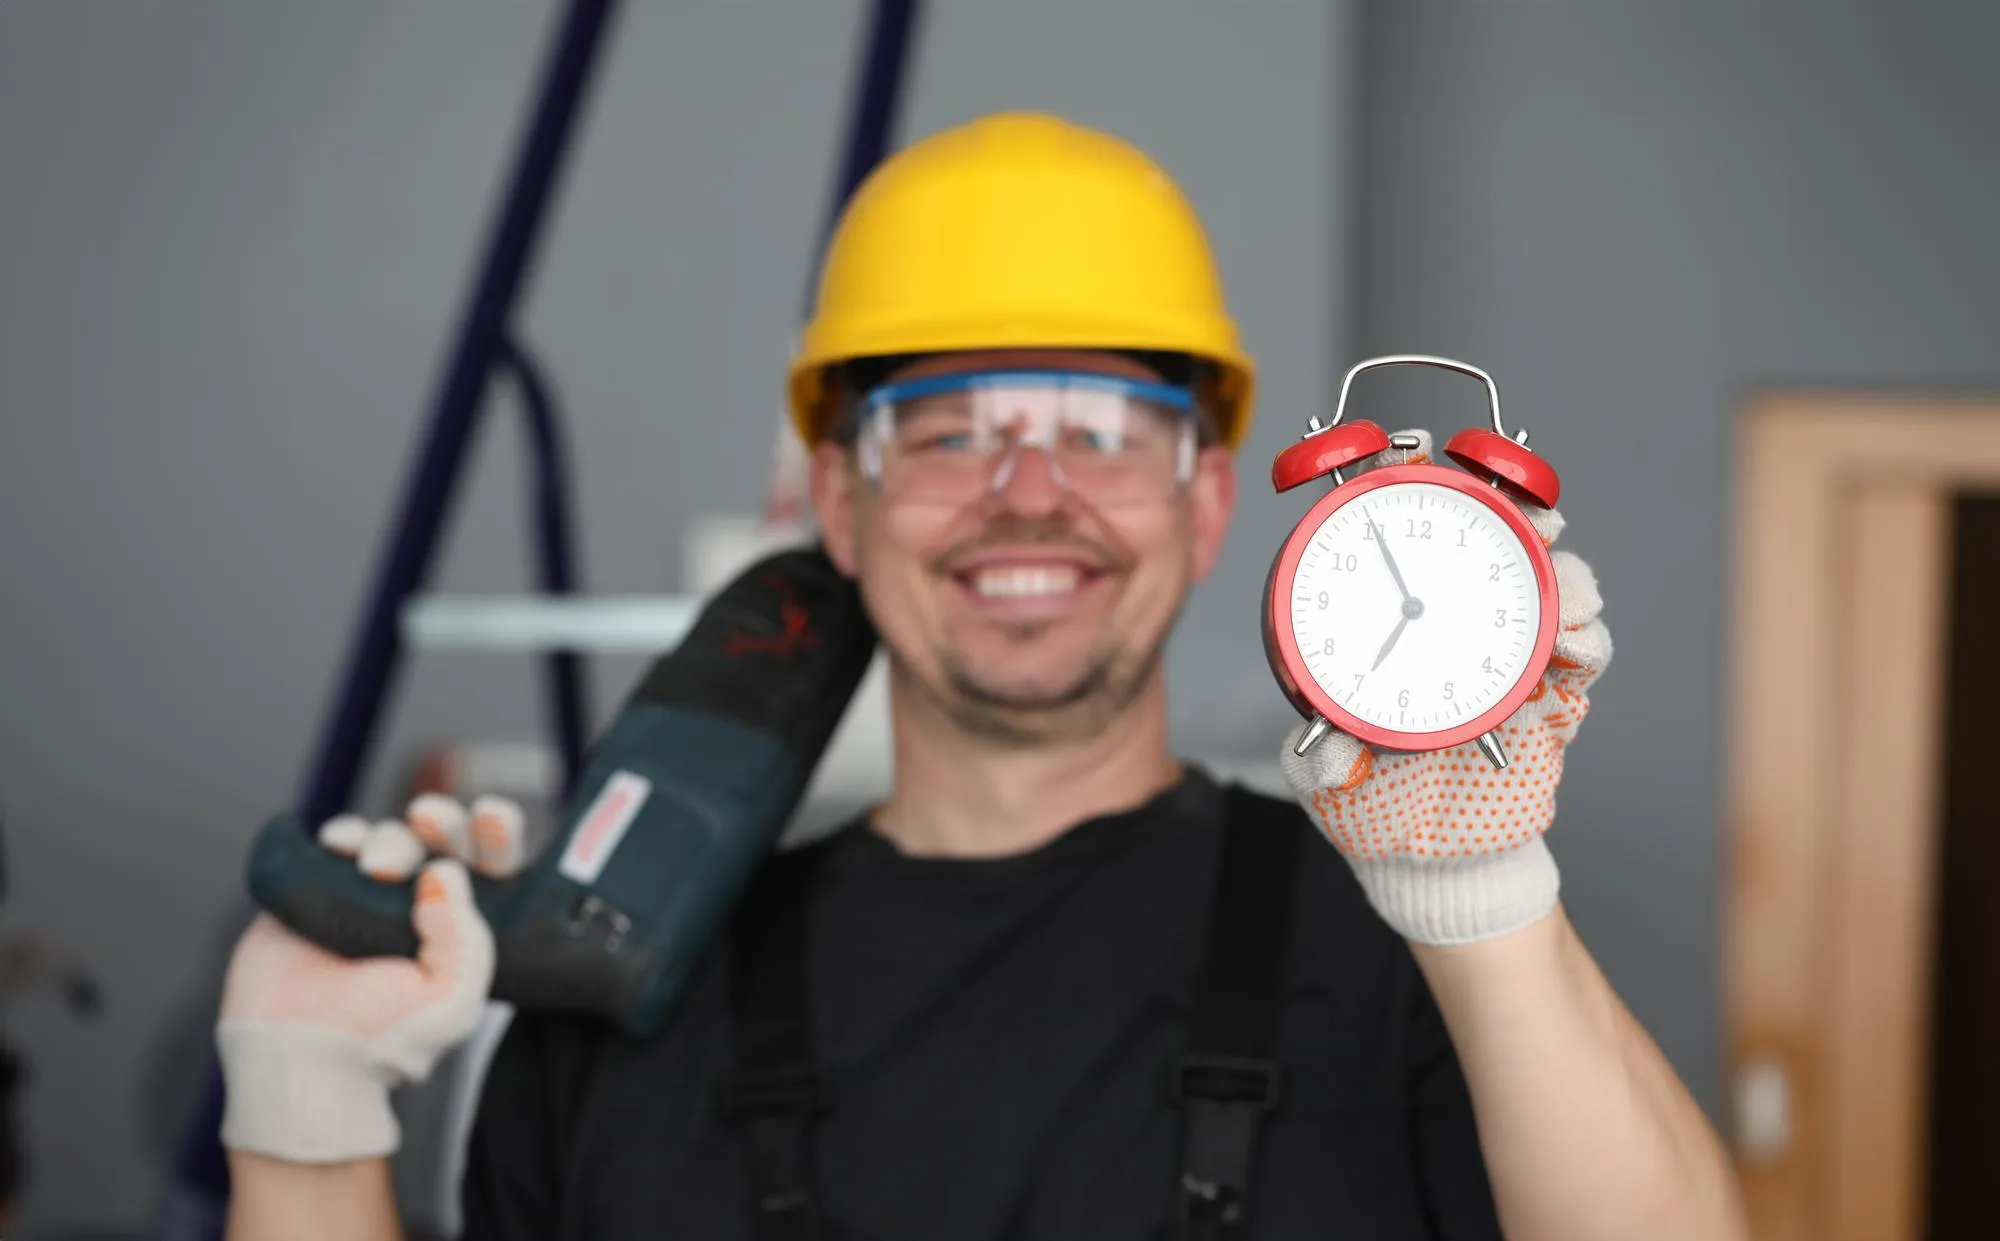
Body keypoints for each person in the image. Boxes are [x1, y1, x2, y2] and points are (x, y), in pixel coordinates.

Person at [214, 112, 1748, 1240]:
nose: (1027, 493)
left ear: (1212, 503)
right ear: (837, 503)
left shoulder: (1404, 957)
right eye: (947, 427)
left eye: (1104, 427)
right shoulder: (617, 995)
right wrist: (305, 1116)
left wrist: (1485, 900)